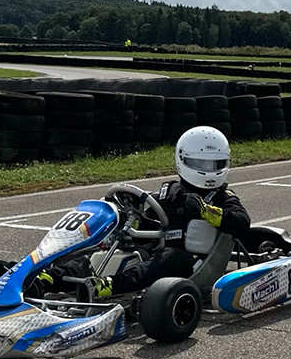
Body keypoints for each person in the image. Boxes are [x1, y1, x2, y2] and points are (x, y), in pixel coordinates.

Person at [106, 126, 252, 297]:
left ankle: (112, 286)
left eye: (215, 164)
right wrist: (129, 217)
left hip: (195, 266)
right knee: (116, 248)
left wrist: (205, 211)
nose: (209, 170)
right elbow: (147, 228)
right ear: (182, 159)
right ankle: (72, 274)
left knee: (170, 257)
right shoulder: (169, 193)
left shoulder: (222, 197)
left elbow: (242, 223)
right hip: (157, 257)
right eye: (201, 163)